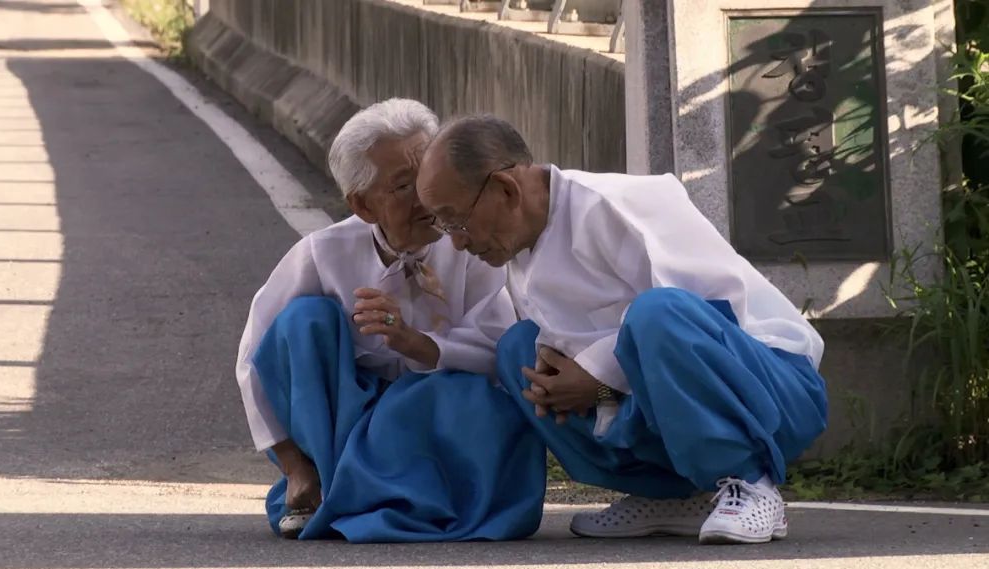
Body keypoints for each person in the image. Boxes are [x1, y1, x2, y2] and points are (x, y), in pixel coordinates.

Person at [415, 115, 828, 544]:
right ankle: (672, 494)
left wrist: (598, 376)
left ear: (506, 189)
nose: (457, 242)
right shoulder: (518, 248)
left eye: (455, 220)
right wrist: (588, 382)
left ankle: (749, 480)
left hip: (772, 388)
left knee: (657, 312)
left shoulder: (614, 202)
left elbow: (709, 315)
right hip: (665, 381)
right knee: (518, 352)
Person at [236, 101, 545, 542]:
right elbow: (254, 357)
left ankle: (390, 497)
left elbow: (498, 343)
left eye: (428, 177)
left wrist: (414, 342)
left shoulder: (473, 238)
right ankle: (318, 481)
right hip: (346, 425)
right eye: (404, 186)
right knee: (303, 322)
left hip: (431, 418)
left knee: (464, 394)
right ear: (362, 205)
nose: (427, 197)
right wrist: (293, 465)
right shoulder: (324, 253)